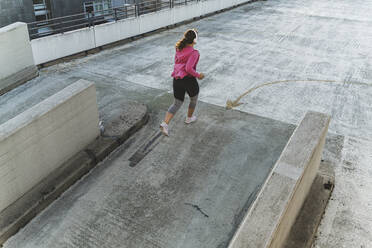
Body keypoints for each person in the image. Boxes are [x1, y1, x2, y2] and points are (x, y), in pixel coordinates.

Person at [160, 29, 205, 136]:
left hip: (177, 79)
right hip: (189, 80)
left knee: (177, 103)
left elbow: (177, 62)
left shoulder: (178, 48)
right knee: (193, 99)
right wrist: (199, 75)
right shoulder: (194, 53)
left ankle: (165, 124)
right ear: (194, 40)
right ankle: (189, 118)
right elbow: (189, 68)